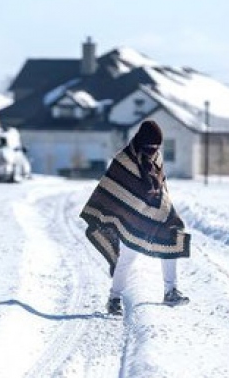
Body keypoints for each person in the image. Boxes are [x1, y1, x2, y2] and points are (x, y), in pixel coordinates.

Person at [80, 120, 191, 316]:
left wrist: (165, 207)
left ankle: (170, 291)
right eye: (150, 146)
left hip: (156, 214)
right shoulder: (124, 159)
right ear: (141, 141)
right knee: (127, 259)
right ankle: (114, 298)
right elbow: (112, 188)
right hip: (131, 217)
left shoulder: (157, 157)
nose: (153, 150)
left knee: (171, 242)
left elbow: (161, 186)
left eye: (157, 146)